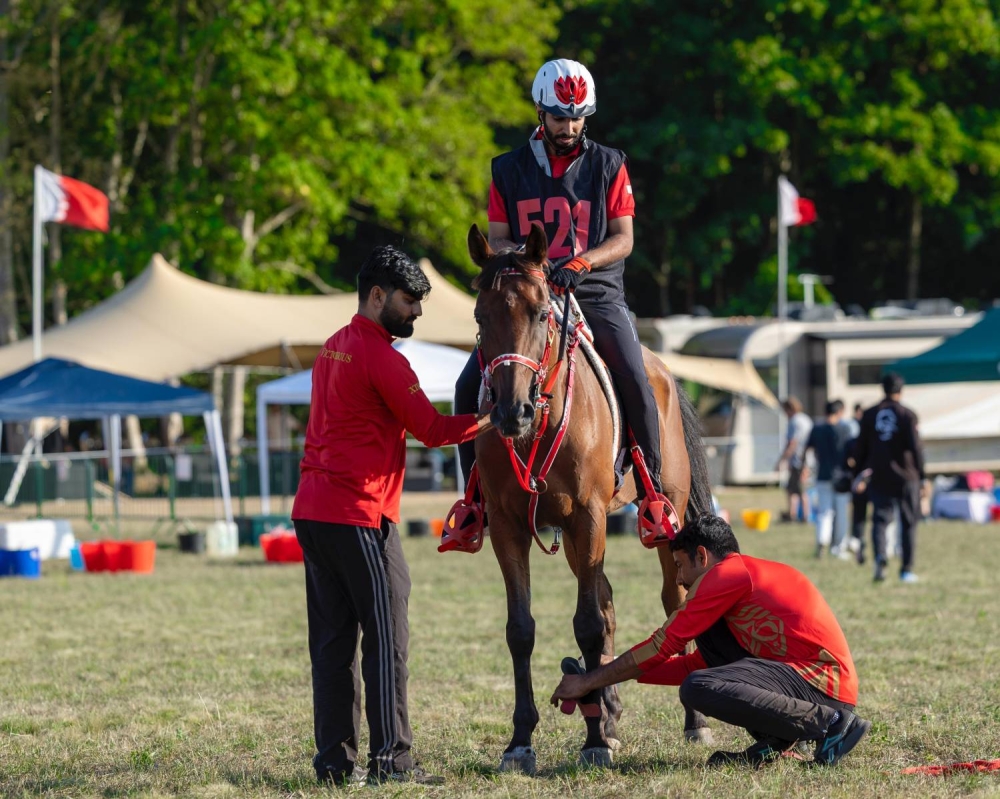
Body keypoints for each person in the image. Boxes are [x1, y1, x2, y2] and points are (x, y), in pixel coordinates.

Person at [449, 58, 677, 545]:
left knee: (636, 375)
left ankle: (654, 492)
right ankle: (473, 502)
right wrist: (531, 270)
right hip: (528, 292)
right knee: (468, 382)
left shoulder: (609, 164)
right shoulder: (506, 169)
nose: (569, 127)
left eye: (577, 118)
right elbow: (500, 236)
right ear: (540, 111)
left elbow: (624, 238)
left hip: (593, 291)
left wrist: (581, 263)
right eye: (559, 117)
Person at [291, 246, 492, 786]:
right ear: (376, 295)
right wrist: (491, 420)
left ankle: (334, 766)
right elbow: (432, 429)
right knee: (386, 637)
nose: (417, 313)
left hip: (312, 511)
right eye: (409, 301)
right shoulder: (383, 357)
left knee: (333, 643)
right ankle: (392, 762)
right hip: (358, 514)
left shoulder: (332, 348)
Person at [550, 515, 870, 768]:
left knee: (698, 688)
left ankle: (832, 725)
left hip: (825, 689)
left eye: (679, 565)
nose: (676, 579)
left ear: (701, 556)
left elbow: (664, 643)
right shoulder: (734, 585)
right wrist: (609, 668)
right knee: (698, 679)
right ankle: (779, 744)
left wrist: (590, 681)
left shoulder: (727, 575)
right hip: (811, 682)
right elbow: (695, 663)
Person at [852, 372, 925, 583]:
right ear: (901, 391)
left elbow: (860, 448)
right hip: (906, 475)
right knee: (908, 521)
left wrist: (859, 473)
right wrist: (922, 476)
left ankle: (880, 558)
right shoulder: (908, 415)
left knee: (880, 520)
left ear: (882, 389)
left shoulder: (869, 414)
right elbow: (916, 448)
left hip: (879, 474)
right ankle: (906, 569)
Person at [805, 400, 854, 558]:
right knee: (841, 514)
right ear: (839, 412)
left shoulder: (817, 428)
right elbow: (851, 452)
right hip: (842, 477)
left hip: (823, 475)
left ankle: (822, 542)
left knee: (824, 513)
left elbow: (809, 449)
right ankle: (839, 547)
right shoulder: (845, 429)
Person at [776, 396, 813, 523]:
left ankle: (801, 516)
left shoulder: (795, 422)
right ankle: (796, 514)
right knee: (795, 489)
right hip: (807, 460)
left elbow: (792, 443)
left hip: (799, 461)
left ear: (789, 409)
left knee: (797, 490)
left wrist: (782, 460)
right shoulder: (806, 419)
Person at [844, 402, 869, 563]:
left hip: (861, 482)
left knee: (859, 516)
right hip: (866, 483)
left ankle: (858, 542)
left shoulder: (853, 442)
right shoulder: (866, 442)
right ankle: (859, 543)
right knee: (861, 516)